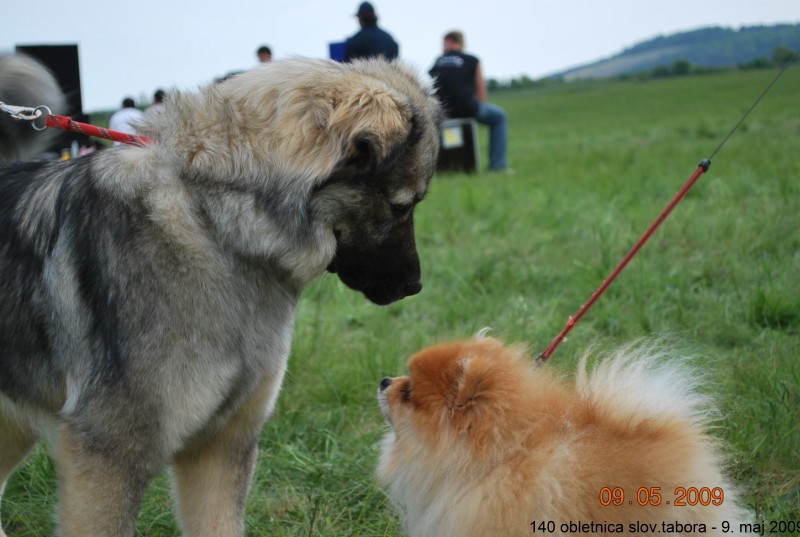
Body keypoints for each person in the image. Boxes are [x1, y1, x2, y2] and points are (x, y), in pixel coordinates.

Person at [429, 30, 509, 172]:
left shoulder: (438, 61)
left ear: (451, 42)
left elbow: (432, 87)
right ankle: (498, 166)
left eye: (444, 43)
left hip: (442, 111)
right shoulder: (472, 60)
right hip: (467, 109)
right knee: (499, 117)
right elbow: (482, 94)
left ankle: (438, 168)